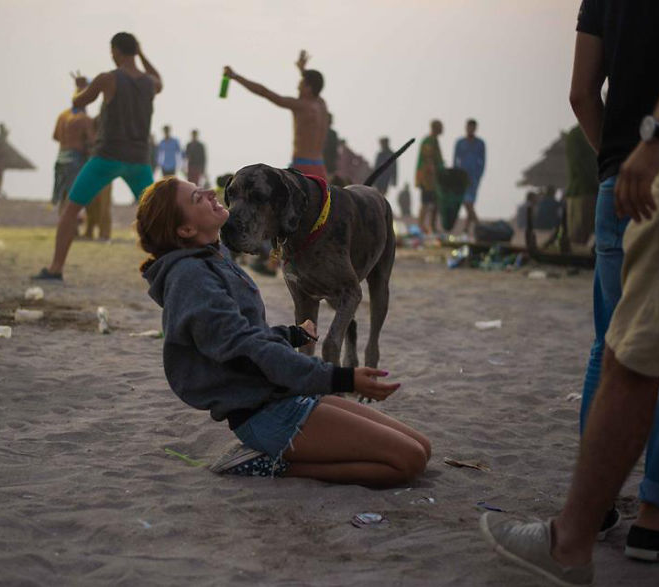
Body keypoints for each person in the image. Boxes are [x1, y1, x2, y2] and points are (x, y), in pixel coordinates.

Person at [480, 7, 659, 586]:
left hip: (622, 177)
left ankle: (594, 511)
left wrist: (615, 163)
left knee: (612, 346)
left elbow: (581, 93)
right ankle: (652, 517)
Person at [136, 176, 431, 484]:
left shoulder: (212, 259)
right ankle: (269, 465)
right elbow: (246, 350)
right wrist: (341, 377)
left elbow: (244, 337)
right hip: (267, 415)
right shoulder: (192, 278)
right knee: (408, 462)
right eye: (197, 198)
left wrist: (292, 335)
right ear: (186, 230)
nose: (211, 192)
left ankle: (289, 450)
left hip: (284, 396)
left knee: (423, 447)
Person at [33, 32, 161, 281]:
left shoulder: (108, 78)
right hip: (138, 160)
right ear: (135, 51)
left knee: (71, 210)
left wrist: (79, 87)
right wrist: (142, 53)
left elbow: (79, 101)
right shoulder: (149, 83)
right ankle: (170, 267)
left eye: (111, 51)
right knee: (157, 215)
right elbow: (160, 80)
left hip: (107, 157)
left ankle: (56, 268)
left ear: (116, 51)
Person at [224, 49, 329, 180]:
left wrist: (235, 76)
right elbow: (314, 85)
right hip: (319, 167)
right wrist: (303, 70)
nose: (298, 87)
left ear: (308, 88)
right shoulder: (322, 105)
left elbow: (264, 92)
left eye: (301, 84)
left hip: (303, 167)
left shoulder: (300, 105)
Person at [52, 75, 95, 215]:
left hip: (61, 157)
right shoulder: (85, 119)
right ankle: (71, 226)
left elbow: (56, 136)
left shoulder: (62, 116)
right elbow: (92, 142)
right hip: (76, 159)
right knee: (74, 196)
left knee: (62, 193)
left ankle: (63, 222)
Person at [564, 124, 598, 244]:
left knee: (576, 239)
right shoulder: (592, 131)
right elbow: (586, 168)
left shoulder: (574, 133)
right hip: (587, 192)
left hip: (576, 193)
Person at [453, 119, 486, 233]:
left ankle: (469, 228)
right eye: (469, 127)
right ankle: (478, 225)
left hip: (474, 177)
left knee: (470, 202)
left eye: (472, 127)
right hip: (462, 176)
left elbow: (483, 160)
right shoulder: (460, 142)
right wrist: (456, 176)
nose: (470, 129)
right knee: (466, 202)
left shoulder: (480, 143)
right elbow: (455, 160)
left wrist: (479, 174)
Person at [415, 120, 444, 234]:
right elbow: (428, 160)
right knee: (426, 203)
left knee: (435, 203)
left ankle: (432, 226)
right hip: (426, 179)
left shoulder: (434, 141)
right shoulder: (429, 141)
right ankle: (421, 226)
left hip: (434, 180)